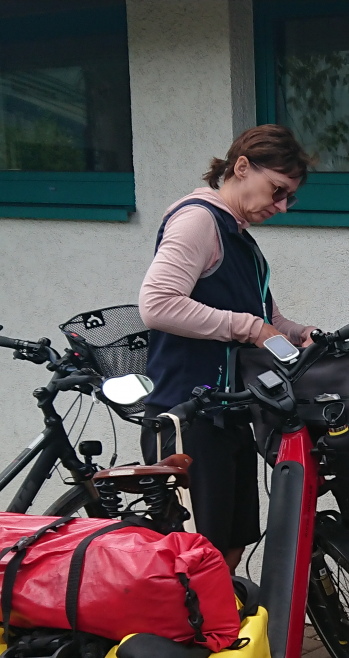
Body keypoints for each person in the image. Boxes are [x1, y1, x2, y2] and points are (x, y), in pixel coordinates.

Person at [138, 124, 316, 569]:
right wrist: (250, 328)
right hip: (187, 414)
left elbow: (268, 319)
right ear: (241, 168)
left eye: (290, 197)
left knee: (232, 544)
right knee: (197, 557)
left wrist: (300, 334)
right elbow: (157, 305)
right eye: (277, 190)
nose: (282, 206)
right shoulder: (198, 220)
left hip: (229, 409)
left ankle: (221, 616)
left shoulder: (242, 240)